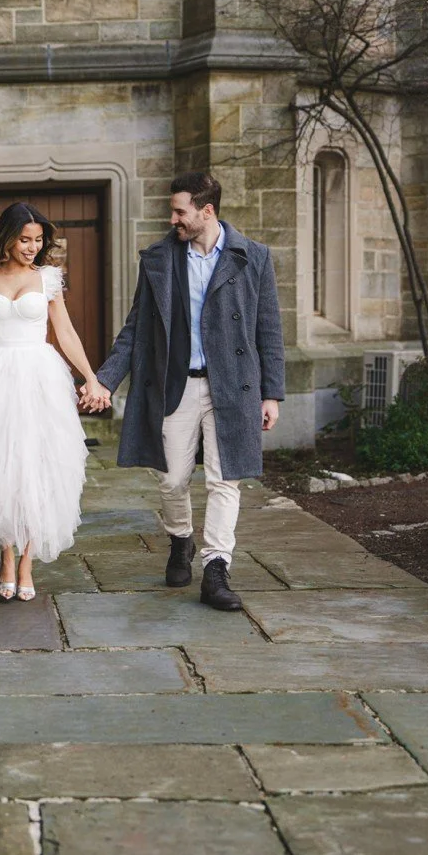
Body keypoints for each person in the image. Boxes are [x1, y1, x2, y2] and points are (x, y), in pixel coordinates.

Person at [92, 172, 286, 611]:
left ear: (206, 210)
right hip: (175, 385)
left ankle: (216, 568)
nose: (172, 218)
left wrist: (271, 393)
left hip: (232, 387)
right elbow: (135, 329)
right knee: (171, 479)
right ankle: (181, 540)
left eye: (180, 210)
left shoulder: (251, 257)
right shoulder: (160, 258)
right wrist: (105, 379)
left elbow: (268, 329)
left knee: (225, 480)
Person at [0, 202, 113, 601]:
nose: (32, 247)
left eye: (37, 240)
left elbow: (65, 333)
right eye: (24, 239)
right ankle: (6, 554)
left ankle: (28, 561)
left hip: (39, 377)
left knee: (38, 465)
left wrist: (91, 377)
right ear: (7, 237)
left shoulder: (48, 279)